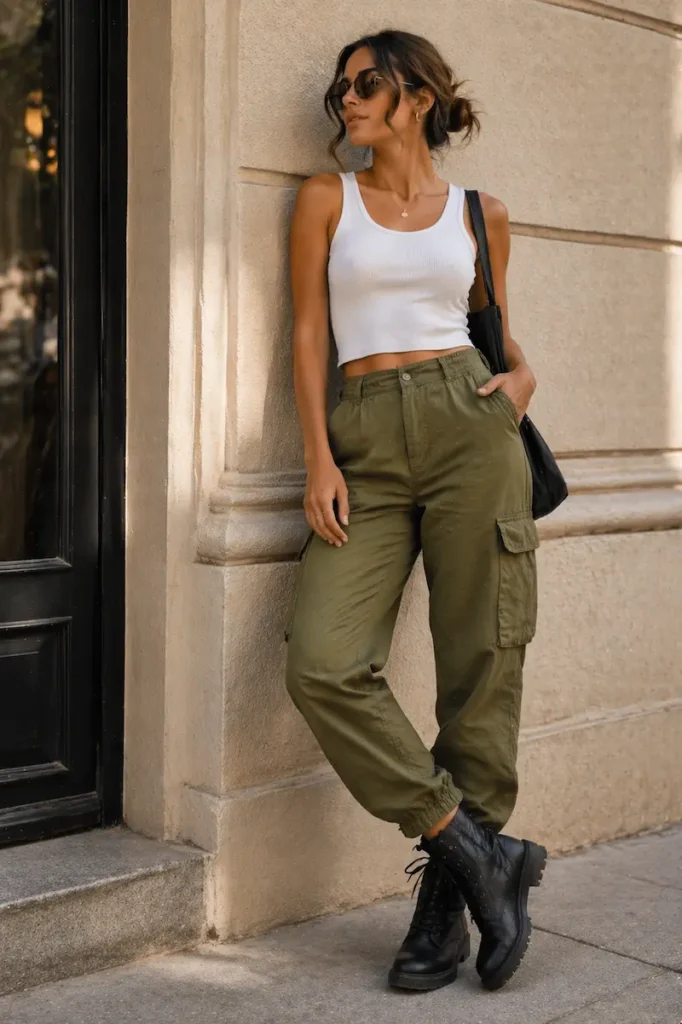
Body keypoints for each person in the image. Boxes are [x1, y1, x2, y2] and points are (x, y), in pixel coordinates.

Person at [285, 28, 546, 994]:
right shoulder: (327, 199)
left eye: (366, 83)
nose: (347, 99)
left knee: (482, 659)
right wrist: (318, 457)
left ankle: (445, 909)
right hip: (363, 439)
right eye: (341, 88)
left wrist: (523, 381)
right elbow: (307, 335)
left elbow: (499, 336)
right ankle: (474, 851)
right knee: (322, 662)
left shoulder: (481, 214)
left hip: (468, 425)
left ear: (419, 96)